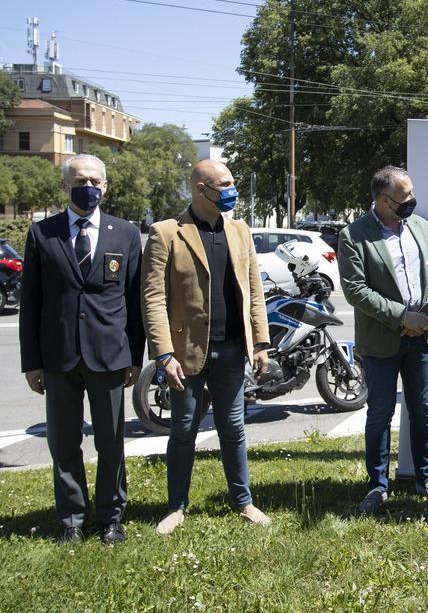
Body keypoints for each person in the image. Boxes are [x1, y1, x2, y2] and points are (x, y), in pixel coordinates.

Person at [19, 154, 144, 545]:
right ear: (65, 186)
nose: (87, 186)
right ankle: (72, 518)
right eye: (79, 180)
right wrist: (32, 362)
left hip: (109, 356)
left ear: (105, 186)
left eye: (94, 180)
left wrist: (134, 358)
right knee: (63, 442)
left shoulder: (125, 233)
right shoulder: (42, 234)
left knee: (111, 443)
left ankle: (111, 517)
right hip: (59, 358)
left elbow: (134, 301)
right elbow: (31, 303)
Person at [142, 159, 271, 535]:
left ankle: (243, 502)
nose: (231, 189)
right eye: (225, 183)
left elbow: (254, 290)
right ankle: (176, 507)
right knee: (183, 428)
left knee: (234, 427)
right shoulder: (166, 233)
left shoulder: (240, 230)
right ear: (201, 188)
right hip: (185, 353)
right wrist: (164, 354)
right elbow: (152, 299)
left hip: (232, 348)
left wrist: (260, 342)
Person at [338, 166, 428, 513]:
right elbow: (356, 291)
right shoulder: (354, 235)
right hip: (381, 340)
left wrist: (427, 315)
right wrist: (403, 316)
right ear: (384, 201)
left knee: (423, 411)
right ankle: (377, 485)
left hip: (422, 336)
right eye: (406, 196)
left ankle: (426, 478)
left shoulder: (420, 226)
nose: (413, 201)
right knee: (380, 413)